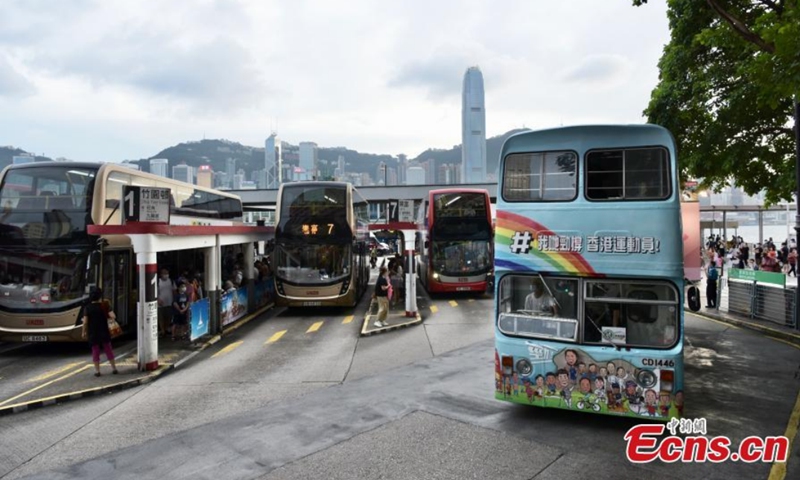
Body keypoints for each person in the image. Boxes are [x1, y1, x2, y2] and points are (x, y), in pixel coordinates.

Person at [82, 287, 118, 377]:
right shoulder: (104, 306)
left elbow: (85, 322)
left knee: (95, 351)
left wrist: (84, 332)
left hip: (93, 332)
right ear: (100, 296)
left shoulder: (87, 308)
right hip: (104, 330)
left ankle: (97, 371)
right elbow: (113, 316)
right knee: (108, 349)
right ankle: (114, 368)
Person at [157, 268, 176, 337]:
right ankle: (163, 331)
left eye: (167, 273)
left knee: (169, 317)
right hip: (160, 304)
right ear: (161, 274)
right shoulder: (158, 281)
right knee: (161, 318)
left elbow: (174, 290)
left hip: (169, 302)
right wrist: (158, 300)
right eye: (164, 273)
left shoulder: (171, 281)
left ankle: (166, 329)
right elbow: (154, 292)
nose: (166, 275)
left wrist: (174, 300)